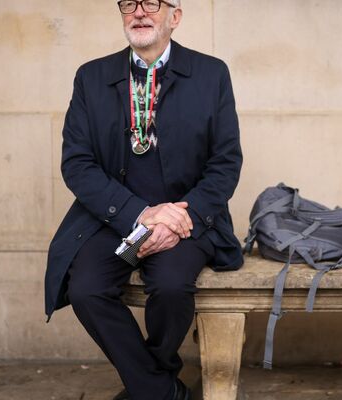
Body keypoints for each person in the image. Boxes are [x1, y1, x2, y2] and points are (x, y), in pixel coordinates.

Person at [44, 0, 244, 399]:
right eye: (128, 4)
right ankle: (161, 390)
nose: (139, 12)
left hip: (187, 220)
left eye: (152, 3)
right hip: (113, 217)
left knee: (171, 287)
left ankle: (150, 384)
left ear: (175, 16)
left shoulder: (211, 74)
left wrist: (175, 219)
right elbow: (77, 164)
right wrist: (141, 214)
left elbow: (225, 163)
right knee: (85, 289)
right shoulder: (91, 77)